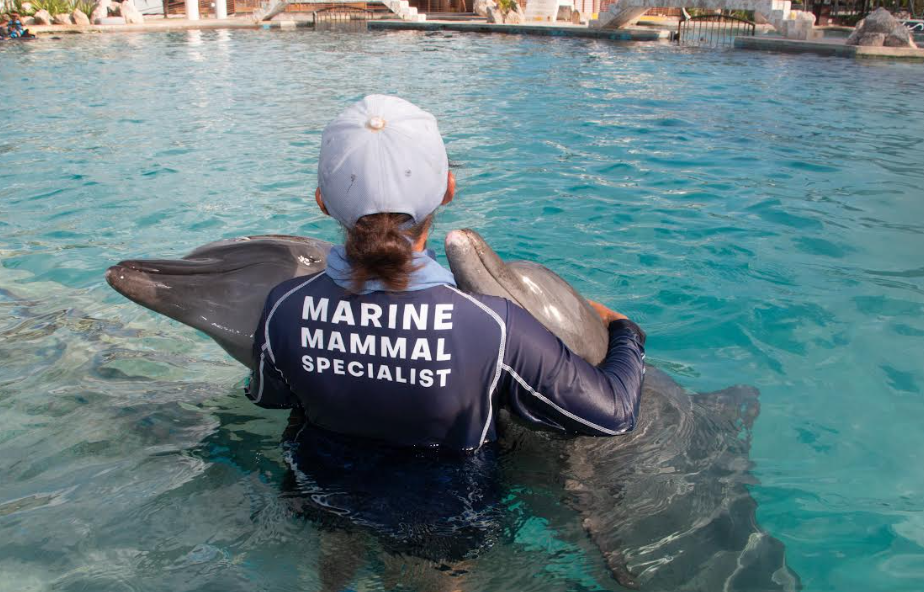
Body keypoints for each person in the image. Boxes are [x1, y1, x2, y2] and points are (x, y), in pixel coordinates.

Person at [245, 95, 646, 586]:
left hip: (318, 488)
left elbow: (267, 396)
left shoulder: (283, 305)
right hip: (440, 516)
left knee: (332, 576)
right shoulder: (493, 326)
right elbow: (611, 415)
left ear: (322, 200)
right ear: (448, 189)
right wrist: (626, 332)